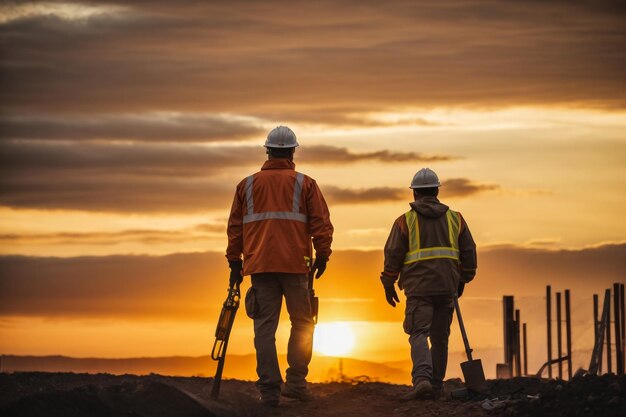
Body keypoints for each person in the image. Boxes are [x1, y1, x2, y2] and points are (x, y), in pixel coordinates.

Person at [226, 126, 334, 406]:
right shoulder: (305, 183)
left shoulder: (246, 185)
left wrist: (234, 262)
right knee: (303, 324)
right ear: (293, 151)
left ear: (268, 150)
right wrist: (323, 253)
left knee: (264, 328)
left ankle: (269, 392)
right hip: (297, 265)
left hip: (260, 266)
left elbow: (235, 228)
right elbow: (321, 222)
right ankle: (296, 383)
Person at [380, 168, 477, 400]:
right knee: (440, 337)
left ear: (415, 194)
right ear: (436, 191)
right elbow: (469, 252)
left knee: (418, 332)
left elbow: (393, 253)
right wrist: (463, 278)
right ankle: (435, 385)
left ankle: (422, 379)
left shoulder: (405, 221)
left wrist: (388, 282)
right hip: (447, 287)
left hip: (419, 288)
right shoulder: (456, 219)